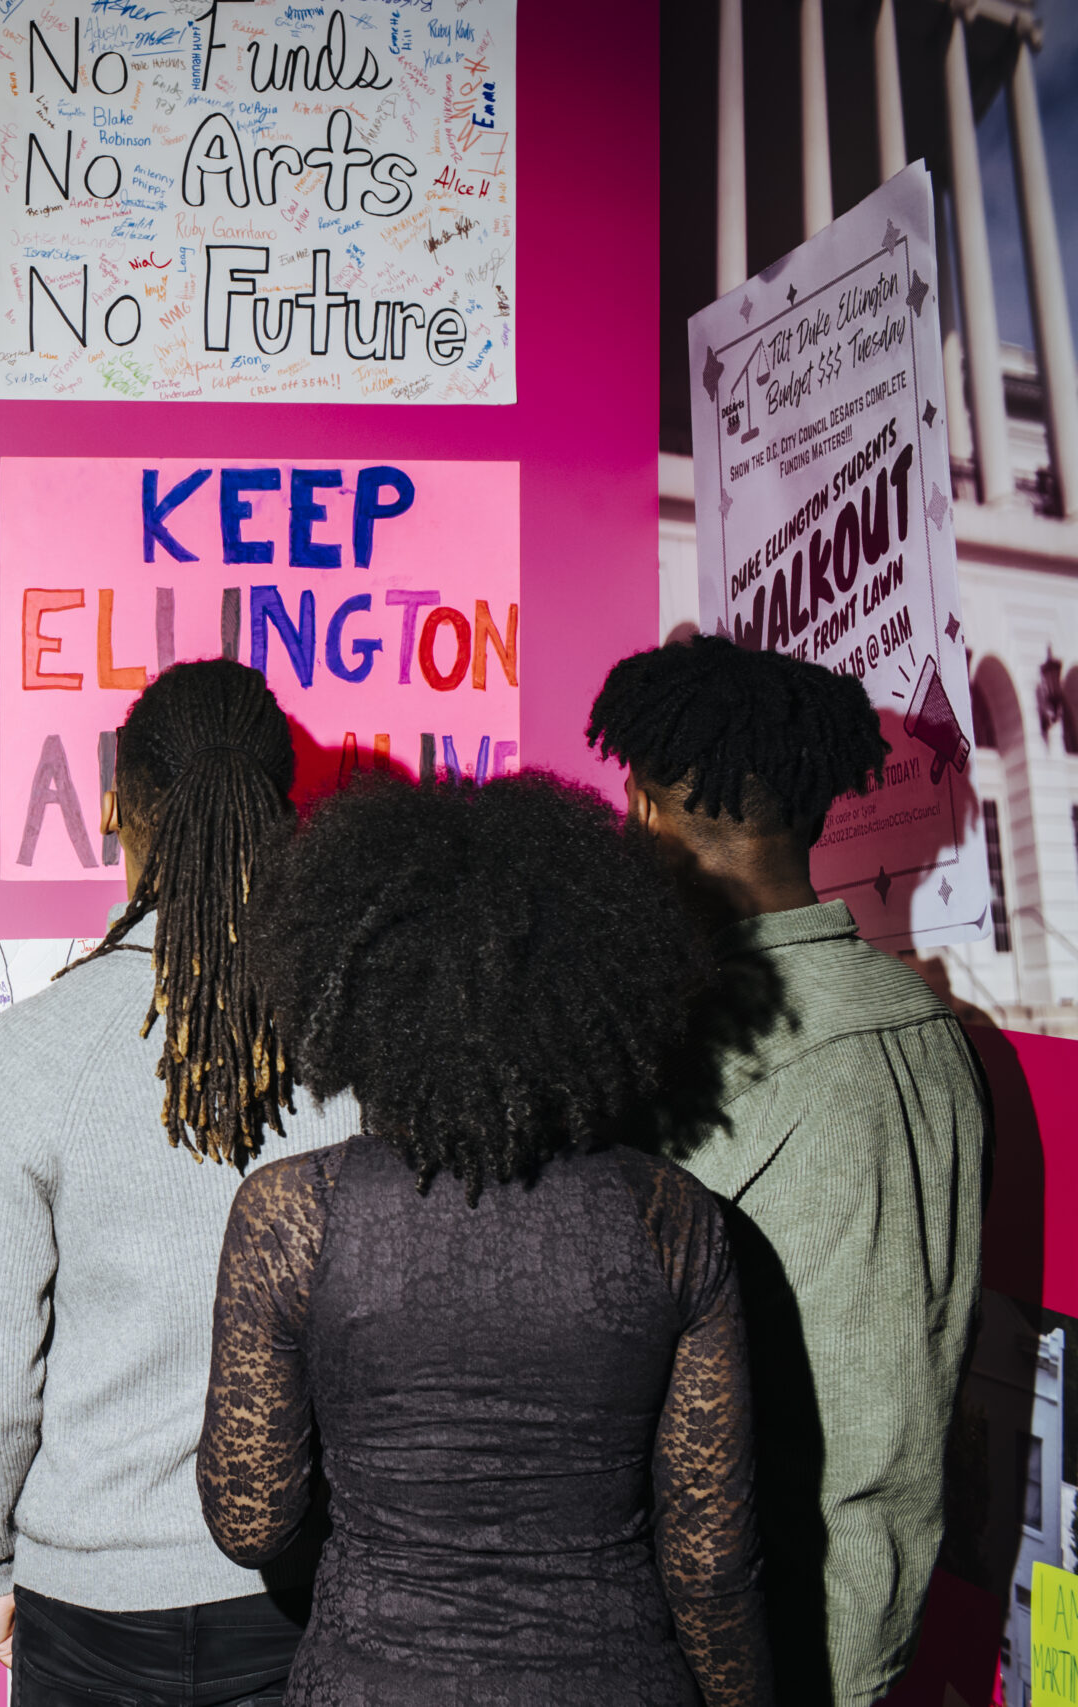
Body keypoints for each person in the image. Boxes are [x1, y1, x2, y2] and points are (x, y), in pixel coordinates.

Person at [204, 772, 770, 1707]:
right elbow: (710, 1564)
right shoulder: (673, 1215)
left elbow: (251, 1519)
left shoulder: (290, 1213)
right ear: (597, 988)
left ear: (354, 992)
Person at [0, 660, 360, 1707]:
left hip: (87, 1604)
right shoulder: (351, 1050)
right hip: (297, 1586)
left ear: (112, 808)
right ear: (281, 816)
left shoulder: (26, 1054)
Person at [588, 636, 990, 1706]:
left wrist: (842, 1687)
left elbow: (876, 1438)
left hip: (775, 1654)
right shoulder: (703, 1021)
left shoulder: (855, 1051)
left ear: (642, 811)